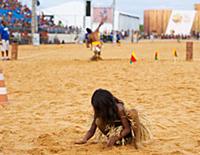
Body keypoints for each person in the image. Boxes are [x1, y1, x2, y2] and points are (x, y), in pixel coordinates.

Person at [75, 89, 152, 148]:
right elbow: (92, 129)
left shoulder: (119, 108)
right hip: (113, 131)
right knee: (98, 121)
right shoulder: (99, 111)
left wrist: (116, 137)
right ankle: (113, 141)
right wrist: (84, 139)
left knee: (133, 112)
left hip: (126, 133)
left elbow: (127, 128)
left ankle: (137, 141)